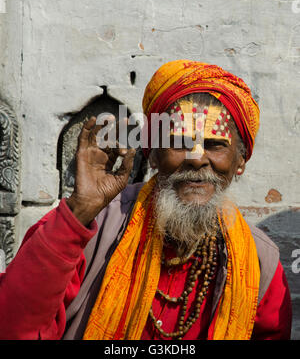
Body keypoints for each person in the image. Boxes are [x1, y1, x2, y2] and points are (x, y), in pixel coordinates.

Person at [0, 60, 292, 340]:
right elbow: (12, 328)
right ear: (153, 153)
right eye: (178, 142)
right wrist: (77, 212)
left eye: (215, 145)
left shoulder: (258, 262)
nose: (196, 159)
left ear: (240, 161)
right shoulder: (92, 226)